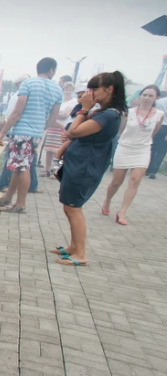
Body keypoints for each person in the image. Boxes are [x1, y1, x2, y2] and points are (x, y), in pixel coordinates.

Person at [54, 71, 128, 266]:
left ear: (109, 89)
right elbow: (74, 133)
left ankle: (80, 254)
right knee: (69, 206)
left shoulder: (110, 115)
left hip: (84, 167)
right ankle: (73, 246)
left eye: (94, 88)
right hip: (78, 163)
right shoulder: (102, 112)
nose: (90, 93)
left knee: (73, 208)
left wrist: (83, 109)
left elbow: (74, 130)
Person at [0, 58, 62, 213]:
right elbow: (53, 116)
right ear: (51, 70)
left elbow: (17, 111)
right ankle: (7, 198)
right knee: (19, 166)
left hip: (22, 132)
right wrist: (41, 128)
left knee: (22, 168)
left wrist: (3, 132)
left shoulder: (28, 84)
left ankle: (20, 204)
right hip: (36, 133)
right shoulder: (57, 90)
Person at [101, 85, 164, 225]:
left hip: (143, 149)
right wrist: (127, 142)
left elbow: (154, 131)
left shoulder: (159, 114)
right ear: (140, 96)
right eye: (145, 95)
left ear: (156, 98)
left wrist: (143, 142)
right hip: (125, 147)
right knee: (117, 181)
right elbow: (121, 130)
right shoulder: (128, 112)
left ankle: (122, 212)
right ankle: (107, 201)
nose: (147, 98)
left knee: (135, 180)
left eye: (151, 96)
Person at [147, 92, 167, 178]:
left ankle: (147, 169)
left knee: (152, 148)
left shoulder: (159, 102)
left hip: (157, 125)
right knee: (161, 151)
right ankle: (154, 171)